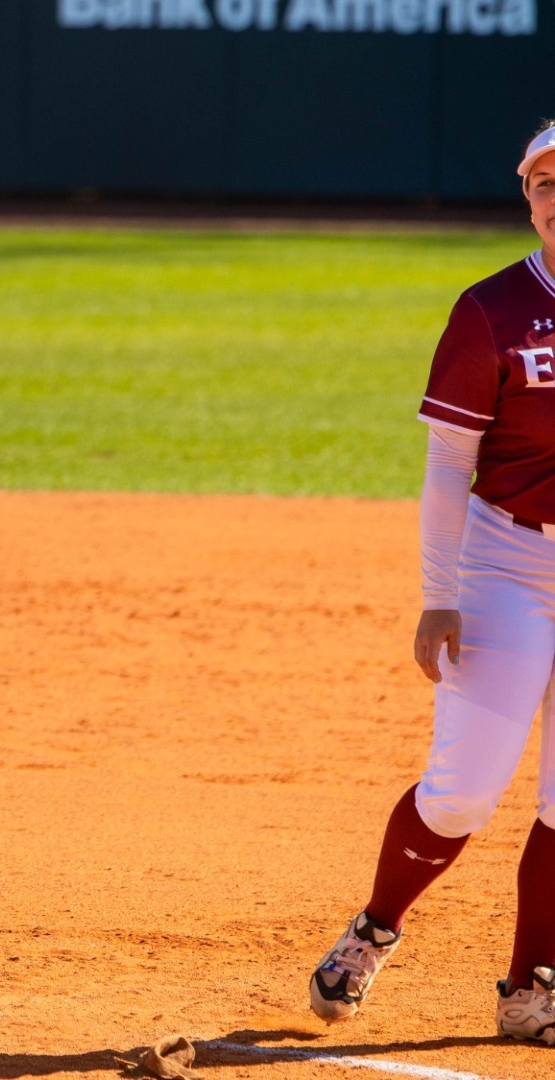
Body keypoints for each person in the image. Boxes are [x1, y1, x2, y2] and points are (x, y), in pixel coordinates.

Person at [306, 121, 555, 1045]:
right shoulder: (493, 309)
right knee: (461, 793)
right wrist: (438, 593)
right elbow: (450, 462)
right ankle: (376, 927)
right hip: (506, 564)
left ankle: (530, 988)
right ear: (526, 198)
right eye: (543, 183)